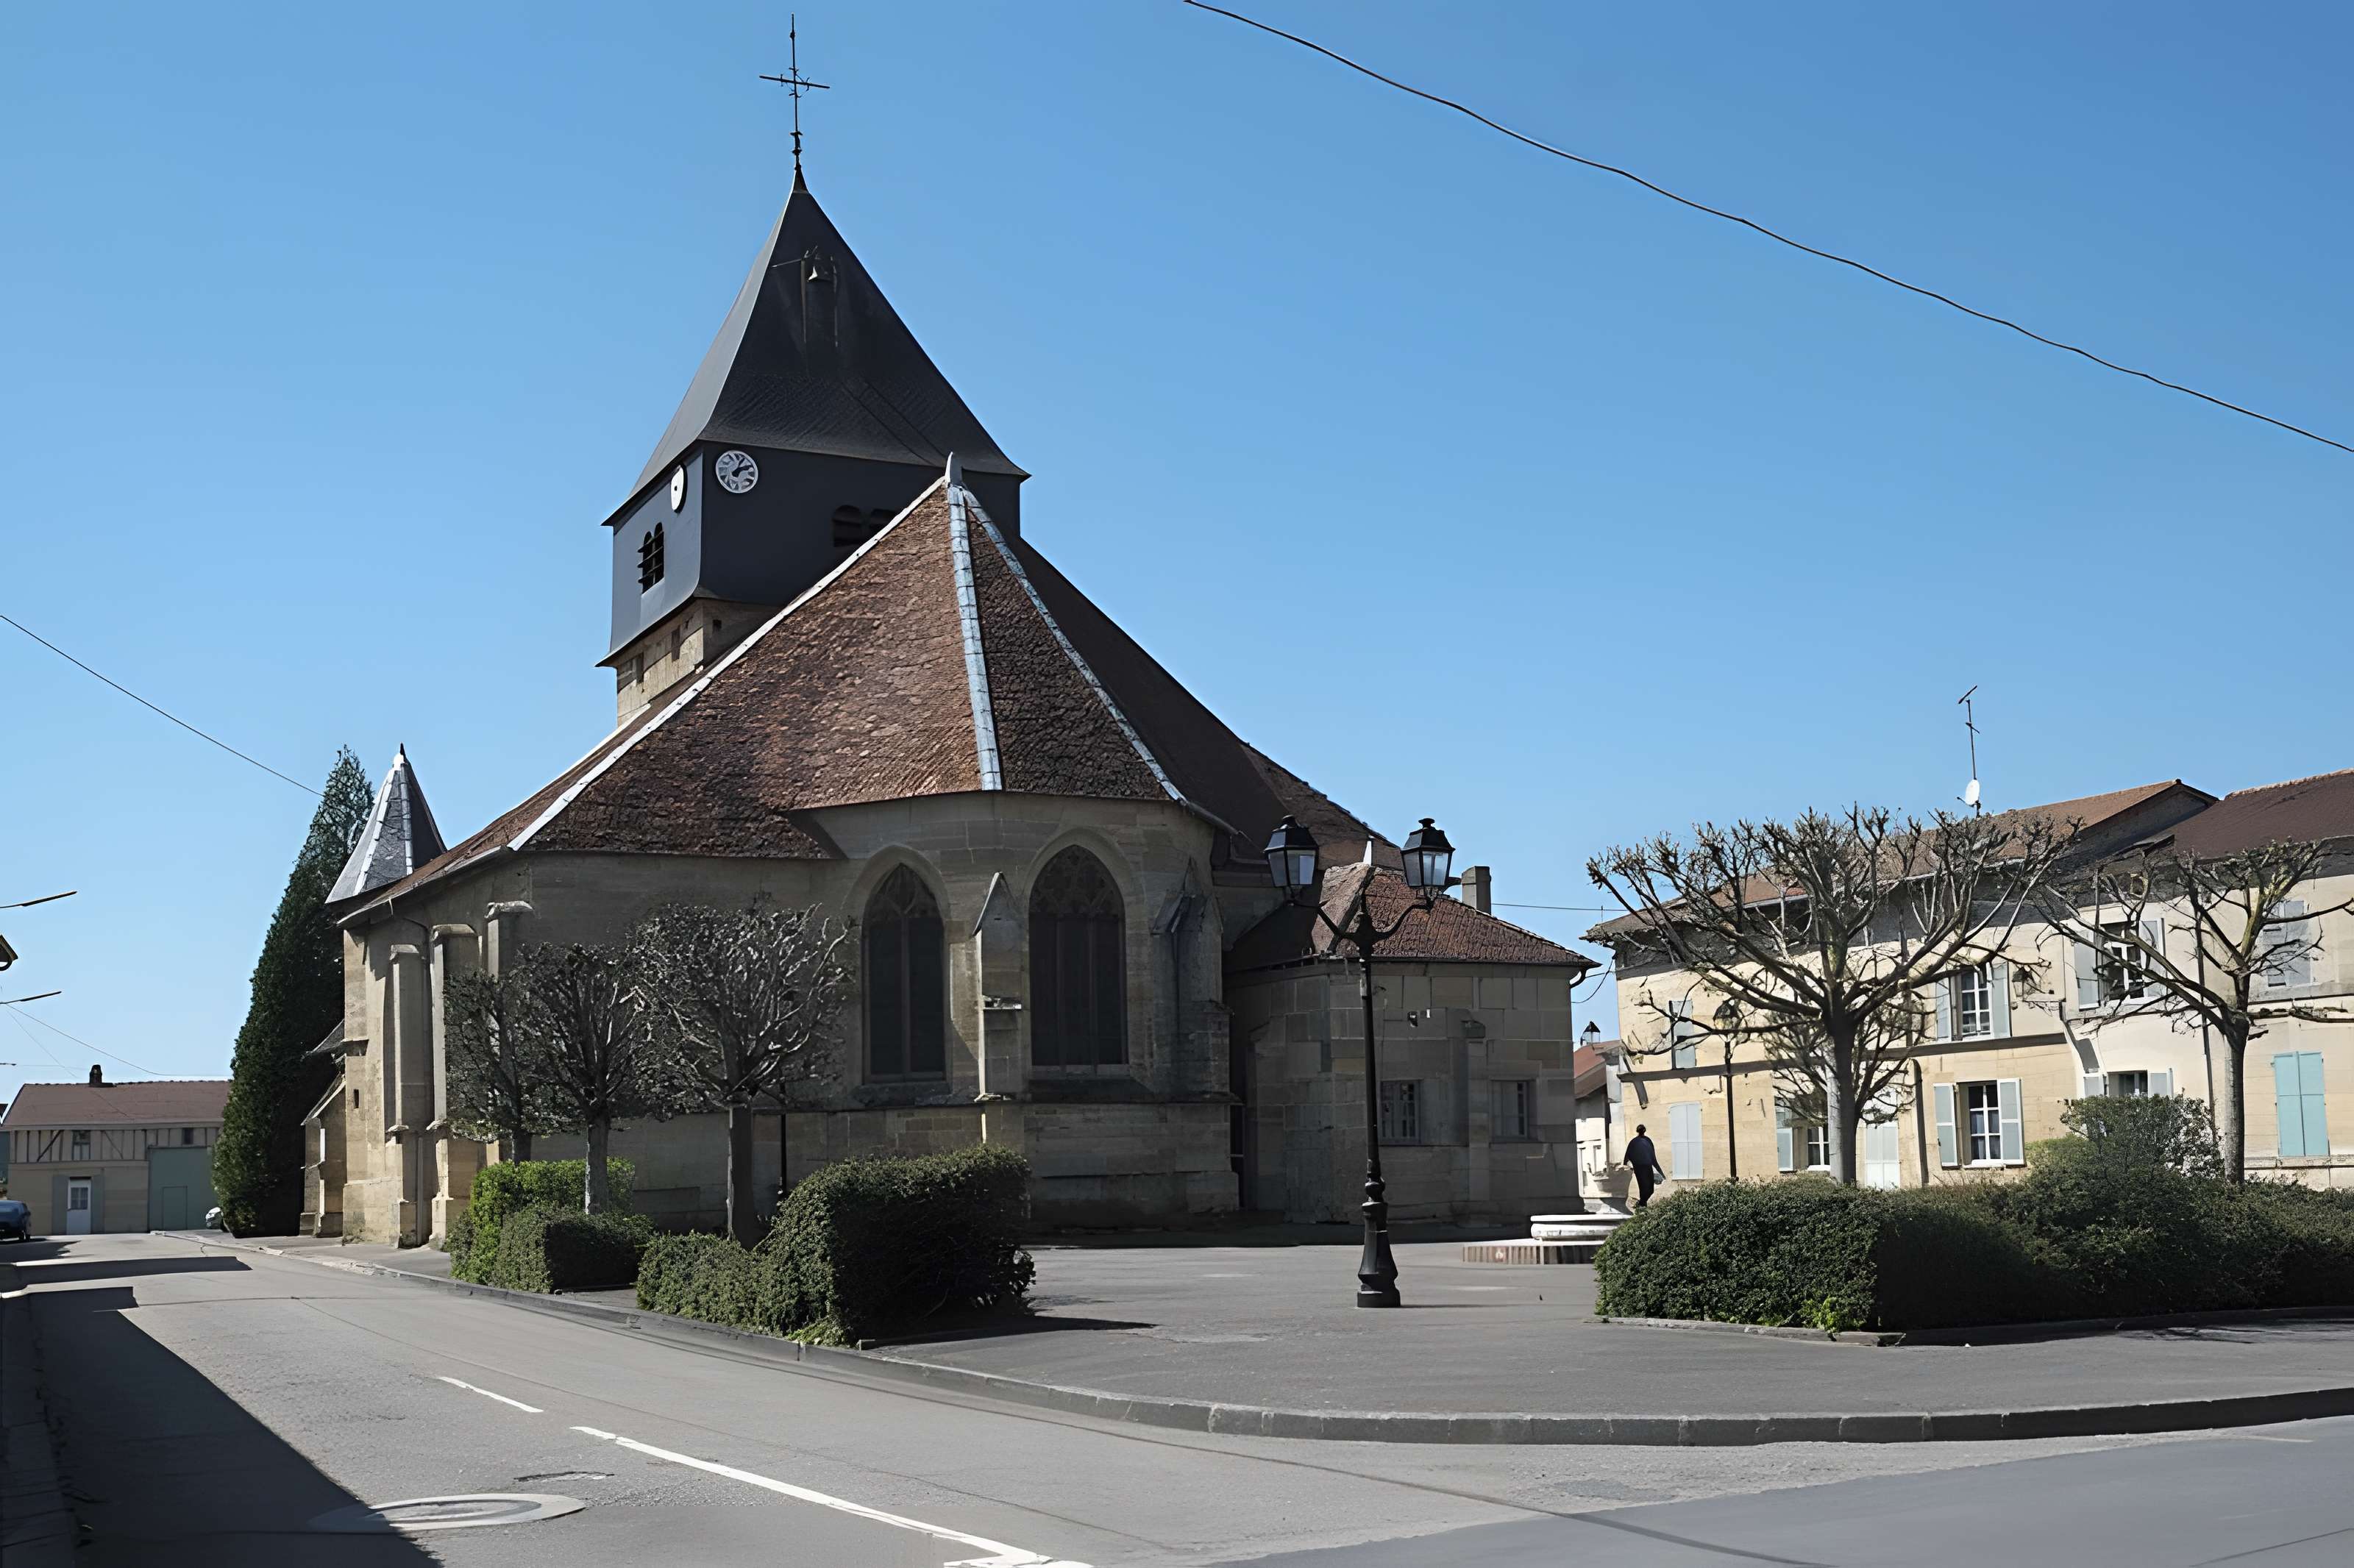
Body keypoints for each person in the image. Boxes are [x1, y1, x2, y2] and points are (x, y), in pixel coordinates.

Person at [1624, 1124, 1665, 1209]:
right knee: (1649, 1187)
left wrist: (1628, 1165)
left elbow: (1627, 1156)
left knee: (1643, 1187)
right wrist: (1660, 1171)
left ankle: (1643, 1205)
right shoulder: (1648, 1141)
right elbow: (1653, 1158)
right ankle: (1643, 1205)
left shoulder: (1633, 1142)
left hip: (1639, 1168)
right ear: (1644, 1131)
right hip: (1646, 1167)